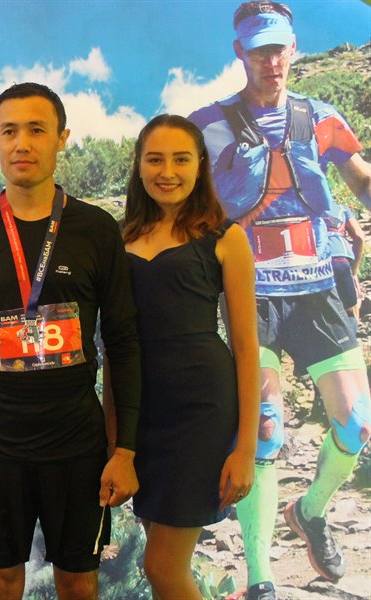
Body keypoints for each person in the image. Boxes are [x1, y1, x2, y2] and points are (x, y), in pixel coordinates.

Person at [188, 3, 371, 598]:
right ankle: (261, 578)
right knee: (264, 430)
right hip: (251, 293)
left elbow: (360, 178)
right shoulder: (208, 125)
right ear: (239, 52)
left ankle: (310, 511)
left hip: (318, 286)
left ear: (294, 48)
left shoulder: (321, 118)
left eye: (279, 48)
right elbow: (177, 199)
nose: (271, 61)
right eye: (259, 49)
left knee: (357, 423)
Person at [0, 82, 141, 600]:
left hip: (77, 441)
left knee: (78, 583)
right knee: (0, 581)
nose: (22, 143)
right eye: (9, 131)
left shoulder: (97, 229)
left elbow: (122, 343)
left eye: (36, 130)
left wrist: (125, 450)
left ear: (61, 138)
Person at [116, 114, 259, 599]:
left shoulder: (226, 238)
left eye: (181, 159)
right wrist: (117, 439)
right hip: (142, 416)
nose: (167, 171)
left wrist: (245, 449)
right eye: (155, 159)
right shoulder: (118, 240)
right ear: (139, 165)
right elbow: (114, 346)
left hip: (202, 414)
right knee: (162, 568)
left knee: (161, 567)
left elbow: (246, 347)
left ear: (200, 165)